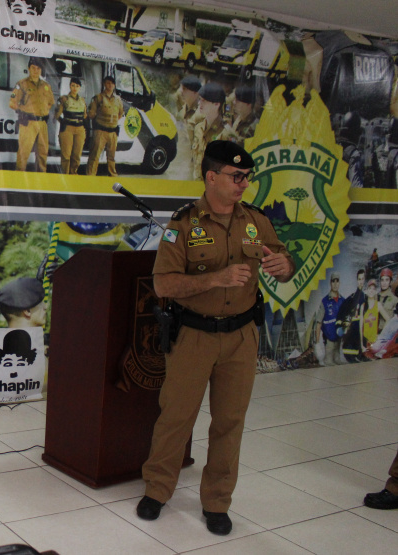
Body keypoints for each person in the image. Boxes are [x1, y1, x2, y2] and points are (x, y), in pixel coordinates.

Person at [136, 140, 294, 536]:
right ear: (211, 177)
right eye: (236, 176)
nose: (244, 183)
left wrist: (284, 266)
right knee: (177, 417)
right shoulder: (183, 224)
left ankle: (217, 501)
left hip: (241, 337)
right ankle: (158, 489)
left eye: (247, 177)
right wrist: (215, 279)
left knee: (230, 422)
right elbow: (163, 284)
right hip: (194, 336)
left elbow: (283, 260)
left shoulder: (256, 221)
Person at [10, 58, 55, 172]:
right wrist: (23, 111)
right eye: (33, 68)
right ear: (29, 68)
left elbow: (50, 102)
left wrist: (43, 112)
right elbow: (12, 103)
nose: (36, 70)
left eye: (38, 68)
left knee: (43, 153)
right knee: (24, 152)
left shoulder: (46, 85)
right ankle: (19, 177)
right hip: (28, 123)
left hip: (42, 123)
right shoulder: (22, 84)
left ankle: (41, 177)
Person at [85, 75, 124, 177]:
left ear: (114, 85)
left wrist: (111, 123)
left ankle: (112, 176)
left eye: (112, 83)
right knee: (94, 156)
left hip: (113, 133)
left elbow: (120, 114)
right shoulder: (98, 98)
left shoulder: (118, 100)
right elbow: (91, 114)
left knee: (111, 157)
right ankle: (90, 176)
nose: (110, 85)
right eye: (108, 83)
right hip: (100, 132)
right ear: (104, 84)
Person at [190, 83, 227, 180]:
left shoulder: (225, 133)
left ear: (216, 104)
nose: (199, 103)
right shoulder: (198, 128)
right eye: (200, 99)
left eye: (204, 101)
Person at [55, 77, 87, 174]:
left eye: (77, 86)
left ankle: (73, 173)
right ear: (70, 86)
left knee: (77, 155)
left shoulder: (82, 100)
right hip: (68, 128)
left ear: (80, 87)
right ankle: (65, 174)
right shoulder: (64, 99)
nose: (75, 88)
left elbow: (85, 115)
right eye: (73, 85)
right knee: (66, 155)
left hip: (80, 129)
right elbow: (57, 115)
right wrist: (64, 122)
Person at [314, 272, 344, 365]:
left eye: (337, 281)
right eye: (333, 281)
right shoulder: (325, 301)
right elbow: (318, 323)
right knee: (329, 363)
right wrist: (317, 343)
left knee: (339, 362)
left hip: (339, 340)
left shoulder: (343, 300)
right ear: (330, 283)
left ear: (339, 283)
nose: (335, 284)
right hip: (329, 340)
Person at [338, 269, 367, 362]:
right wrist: (341, 326)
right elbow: (343, 312)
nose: (361, 281)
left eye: (363, 279)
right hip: (353, 334)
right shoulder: (352, 297)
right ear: (357, 280)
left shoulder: (368, 296)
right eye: (359, 279)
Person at [173, 75, 203, 145]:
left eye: (184, 89)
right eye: (181, 88)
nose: (181, 91)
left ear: (195, 93)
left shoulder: (202, 115)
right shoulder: (181, 111)